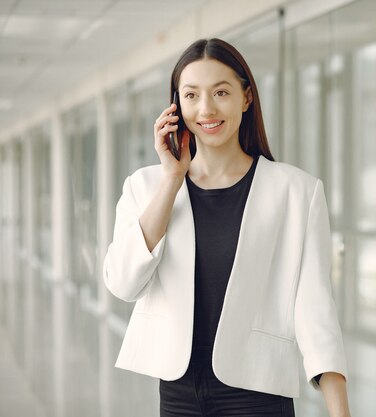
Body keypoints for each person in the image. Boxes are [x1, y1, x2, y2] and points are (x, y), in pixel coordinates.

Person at [102, 38, 351, 417]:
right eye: (191, 95)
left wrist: (340, 411)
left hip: (258, 393)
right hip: (178, 394)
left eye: (221, 92)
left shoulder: (296, 192)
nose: (206, 109)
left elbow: (316, 311)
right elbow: (123, 283)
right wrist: (172, 179)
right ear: (176, 106)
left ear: (246, 97)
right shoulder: (146, 186)